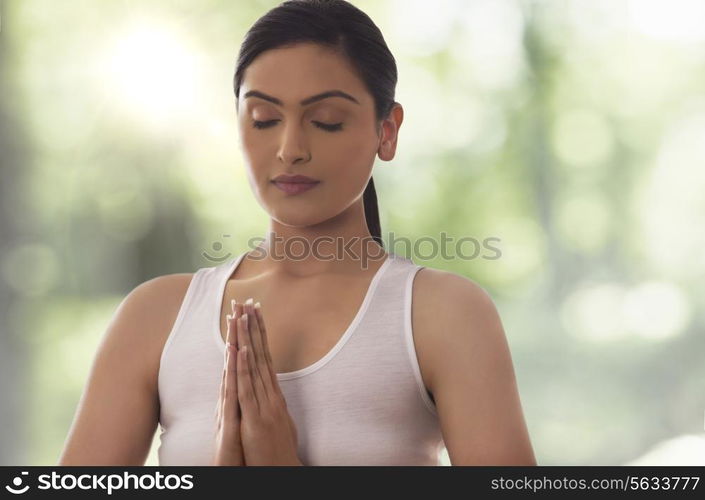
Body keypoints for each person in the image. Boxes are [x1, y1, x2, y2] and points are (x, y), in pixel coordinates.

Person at [58, 0, 536, 466]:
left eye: (326, 121)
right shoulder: (154, 317)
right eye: (264, 119)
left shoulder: (443, 315)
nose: (290, 150)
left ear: (386, 131)